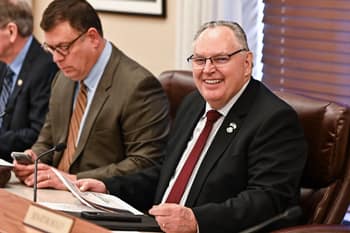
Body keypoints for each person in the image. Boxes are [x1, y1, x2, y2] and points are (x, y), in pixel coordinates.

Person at [76, 21, 307, 233]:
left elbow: (267, 200)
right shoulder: (193, 102)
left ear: (247, 63)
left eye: (221, 59)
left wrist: (196, 220)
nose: (208, 69)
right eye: (200, 60)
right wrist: (108, 187)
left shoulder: (274, 119)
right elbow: (167, 175)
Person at [13, 0, 169, 190]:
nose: (56, 59)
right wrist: (32, 158)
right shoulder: (63, 78)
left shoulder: (138, 86)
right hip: (52, 193)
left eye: (63, 47)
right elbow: (48, 139)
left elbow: (145, 163)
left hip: (101, 202)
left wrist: (72, 179)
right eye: (51, 48)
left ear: (93, 38)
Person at [0, 0, 58, 162]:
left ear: (11, 31)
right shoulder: (3, 61)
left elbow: (37, 133)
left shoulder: (46, 67)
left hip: (19, 168)